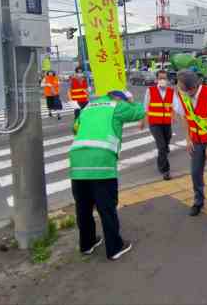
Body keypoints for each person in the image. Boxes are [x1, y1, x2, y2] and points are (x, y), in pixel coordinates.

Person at [69, 90, 145, 261]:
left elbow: (74, 129)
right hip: (101, 161)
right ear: (119, 98)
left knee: (83, 207)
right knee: (106, 207)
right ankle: (114, 248)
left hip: (77, 161)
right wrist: (131, 100)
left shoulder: (88, 107)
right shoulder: (117, 105)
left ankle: (86, 244)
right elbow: (140, 111)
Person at [173, 71, 207, 236]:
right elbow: (183, 117)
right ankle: (199, 200)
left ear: (191, 88)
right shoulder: (181, 94)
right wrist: (188, 138)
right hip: (196, 140)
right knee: (195, 172)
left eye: (181, 86)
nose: (178, 88)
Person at [140, 70, 174, 180]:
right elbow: (145, 107)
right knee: (162, 146)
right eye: (160, 78)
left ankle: (161, 159)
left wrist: (173, 116)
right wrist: (143, 121)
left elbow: (173, 106)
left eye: (164, 78)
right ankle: (165, 170)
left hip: (167, 123)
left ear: (167, 80)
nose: (162, 80)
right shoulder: (150, 90)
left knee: (166, 144)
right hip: (154, 123)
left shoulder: (171, 91)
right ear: (157, 79)